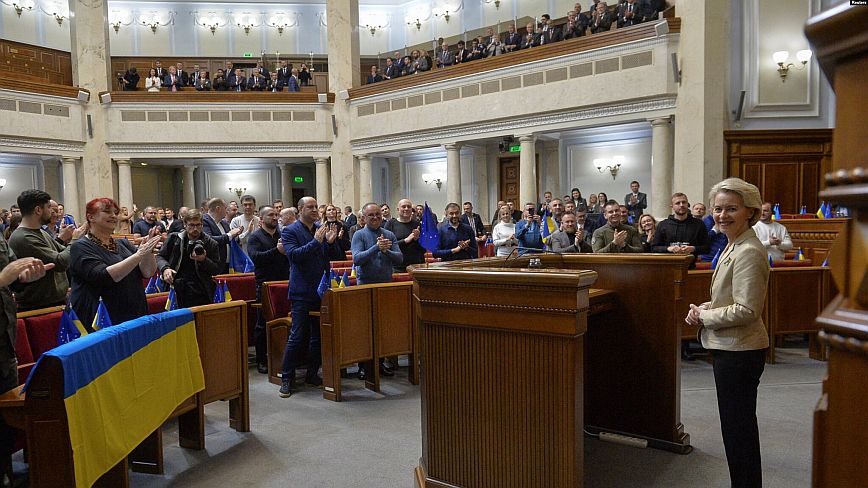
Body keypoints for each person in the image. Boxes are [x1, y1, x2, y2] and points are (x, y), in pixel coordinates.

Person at [685, 177, 768, 488]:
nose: (722, 215)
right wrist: (704, 308)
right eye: (718, 209)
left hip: (741, 351)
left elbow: (748, 310)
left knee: (739, 431)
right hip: (731, 347)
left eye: (731, 209)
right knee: (736, 429)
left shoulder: (748, 249)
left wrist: (706, 316)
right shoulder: (734, 243)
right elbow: (730, 298)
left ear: (750, 211)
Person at [69, 198, 160, 330]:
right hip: (102, 319)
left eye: (115, 212)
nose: (113, 216)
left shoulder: (122, 243)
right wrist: (139, 254)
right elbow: (104, 276)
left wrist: (148, 252)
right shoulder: (80, 247)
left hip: (133, 313)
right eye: (107, 212)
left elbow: (147, 272)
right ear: (91, 217)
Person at [0, 234, 51, 460]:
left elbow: (10, 270)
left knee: (5, 417)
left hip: (5, 339)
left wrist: (23, 276)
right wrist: (2, 279)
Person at [278, 197, 332, 397]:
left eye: (316, 207)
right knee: (298, 335)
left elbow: (326, 257)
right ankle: (286, 378)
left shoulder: (319, 228)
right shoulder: (290, 231)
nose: (315, 210)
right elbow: (294, 256)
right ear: (300, 210)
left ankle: (312, 374)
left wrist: (330, 243)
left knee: (318, 336)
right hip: (301, 290)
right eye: (310, 207)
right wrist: (316, 242)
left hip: (319, 289)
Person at [351, 203, 404, 379]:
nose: (375, 218)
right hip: (365, 286)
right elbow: (357, 259)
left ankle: (380, 363)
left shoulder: (389, 234)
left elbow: (399, 258)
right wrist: (376, 248)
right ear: (364, 218)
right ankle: (363, 366)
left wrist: (387, 250)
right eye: (371, 215)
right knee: (365, 328)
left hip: (385, 286)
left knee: (382, 328)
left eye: (377, 215)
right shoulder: (359, 234)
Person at [9, 190, 85, 311]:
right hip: (39, 307)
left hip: (54, 303)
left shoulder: (41, 231)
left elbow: (63, 251)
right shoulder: (24, 237)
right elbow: (61, 262)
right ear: (38, 210)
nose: (53, 212)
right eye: (49, 207)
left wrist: (69, 241)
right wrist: (75, 239)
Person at [247, 206, 289, 374]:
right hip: (264, 284)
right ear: (262, 219)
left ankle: (281, 356)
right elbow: (256, 258)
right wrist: (277, 251)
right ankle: (262, 360)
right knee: (262, 323)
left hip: (284, 282)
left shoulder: (281, 235)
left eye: (276, 214)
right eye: (271, 215)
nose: (275, 217)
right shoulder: (255, 237)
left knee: (283, 321)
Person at [156, 209, 221, 308]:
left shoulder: (211, 243)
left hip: (201, 290)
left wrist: (204, 260)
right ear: (185, 225)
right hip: (176, 287)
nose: (195, 229)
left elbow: (216, 269)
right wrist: (165, 268)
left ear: (202, 225)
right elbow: (160, 256)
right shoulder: (174, 238)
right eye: (191, 225)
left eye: (198, 225)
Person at [650, 193, 710, 261]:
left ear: (688, 204)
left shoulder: (699, 224)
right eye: (678, 203)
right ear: (672, 206)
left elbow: (707, 248)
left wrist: (693, 248)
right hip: (668, 265)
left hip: (690, 266)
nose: (681, 205)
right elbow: (654, 248)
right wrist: (669, 248)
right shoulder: (663, 224)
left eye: (684, 202)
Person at [202, 198, 242, 274]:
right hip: (213, 265)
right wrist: (230, 235)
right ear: (218, 209)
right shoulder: (204, 220)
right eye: (225, 208)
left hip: (228, 265)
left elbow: (230, 239)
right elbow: (209, 240)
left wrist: (236, 234)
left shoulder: (224, 223)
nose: (227, 211)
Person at [384, 199, 425, 273]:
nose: (406, 209)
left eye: (409, 207)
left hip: (415, 266)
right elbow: (388, 246)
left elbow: (423, 250)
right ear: (398, 209)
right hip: (397, 267)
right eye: (403, 206)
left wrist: (417, 239)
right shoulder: (390, 224)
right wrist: (405, 240)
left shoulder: (417, 225)